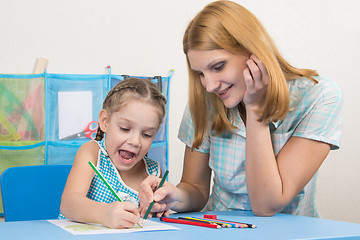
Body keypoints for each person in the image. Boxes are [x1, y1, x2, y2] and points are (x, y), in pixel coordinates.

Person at [139, 0, 342, 218]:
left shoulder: (319, 97)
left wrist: (256, 109)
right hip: (219, 230)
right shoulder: (206, 99)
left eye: (218, 67)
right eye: (201, 73)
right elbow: (195, 188)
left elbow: (266, 205)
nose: (209, 85)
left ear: (253, 52)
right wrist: (175, 196)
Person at [60, 77, 167, 228]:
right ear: (105, 121)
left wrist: (158, 209)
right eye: (125, 128)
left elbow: (150, 218)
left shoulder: (154, 173)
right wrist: (103, 213)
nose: (135, 141)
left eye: (147, 134)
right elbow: (68, 203)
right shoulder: (91, 153)